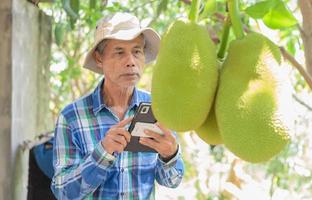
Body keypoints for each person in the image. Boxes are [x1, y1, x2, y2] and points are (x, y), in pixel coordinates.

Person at [51, 12, 184, 199]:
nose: (131, 62)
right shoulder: (71, 117)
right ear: (99, 58)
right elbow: (62, 192)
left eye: (137, 51)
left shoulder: (159, 108)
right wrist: (102, 152)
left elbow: (172, 181)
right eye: (119, 52)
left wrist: (170, 154)